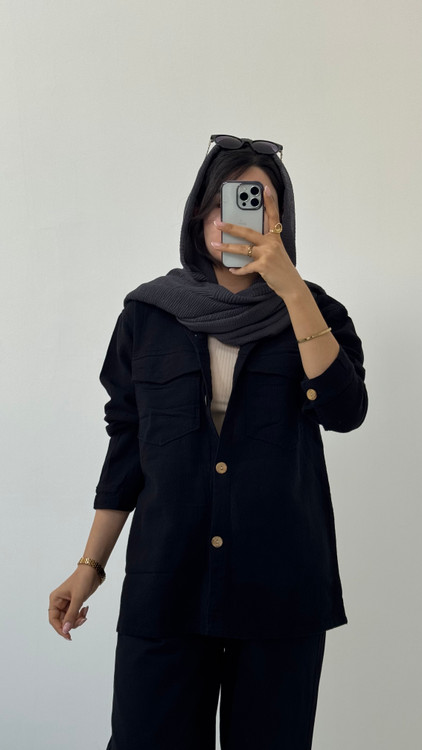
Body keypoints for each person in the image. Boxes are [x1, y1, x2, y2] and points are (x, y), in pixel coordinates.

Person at [49, 134, 368, 750]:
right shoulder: (148, 315)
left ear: (280, 219)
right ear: (199, 214)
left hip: (280, 588)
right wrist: (89, 566)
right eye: (223, 202)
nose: (234, 217)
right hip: (167, 582)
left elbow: (345, 411)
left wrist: (291, 289)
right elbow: (127, 449)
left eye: (257, 201)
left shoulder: (317, 311)